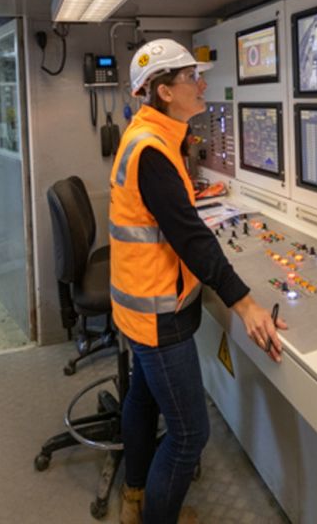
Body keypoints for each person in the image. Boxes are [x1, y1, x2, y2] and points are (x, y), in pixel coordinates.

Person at [110, 39, 287, 524]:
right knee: (190, 435)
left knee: (143, 399)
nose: (202, 84)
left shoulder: (151, 134)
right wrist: (246, 304)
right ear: (165, 91)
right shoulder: (151, 150)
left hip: (138, 305)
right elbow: (191, 238)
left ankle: (134, 498)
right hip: (157, 314)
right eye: (192, 77)